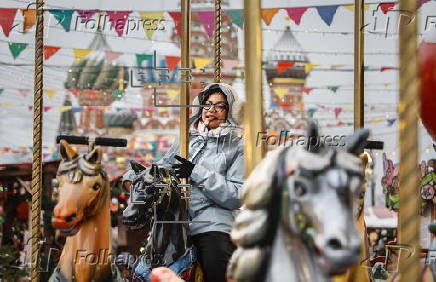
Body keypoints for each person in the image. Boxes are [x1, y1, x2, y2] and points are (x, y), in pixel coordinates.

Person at [155, 83, 245, 282]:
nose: (211, 110)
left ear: (230, 111)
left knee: (215, 267)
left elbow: (236, 196)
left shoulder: (238, 147)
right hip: (176, 223)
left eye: (220, 106)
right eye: (208, 104)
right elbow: (162, 166)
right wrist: (135, 177)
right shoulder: (186, 139)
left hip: (213, 224)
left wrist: (196, 172)